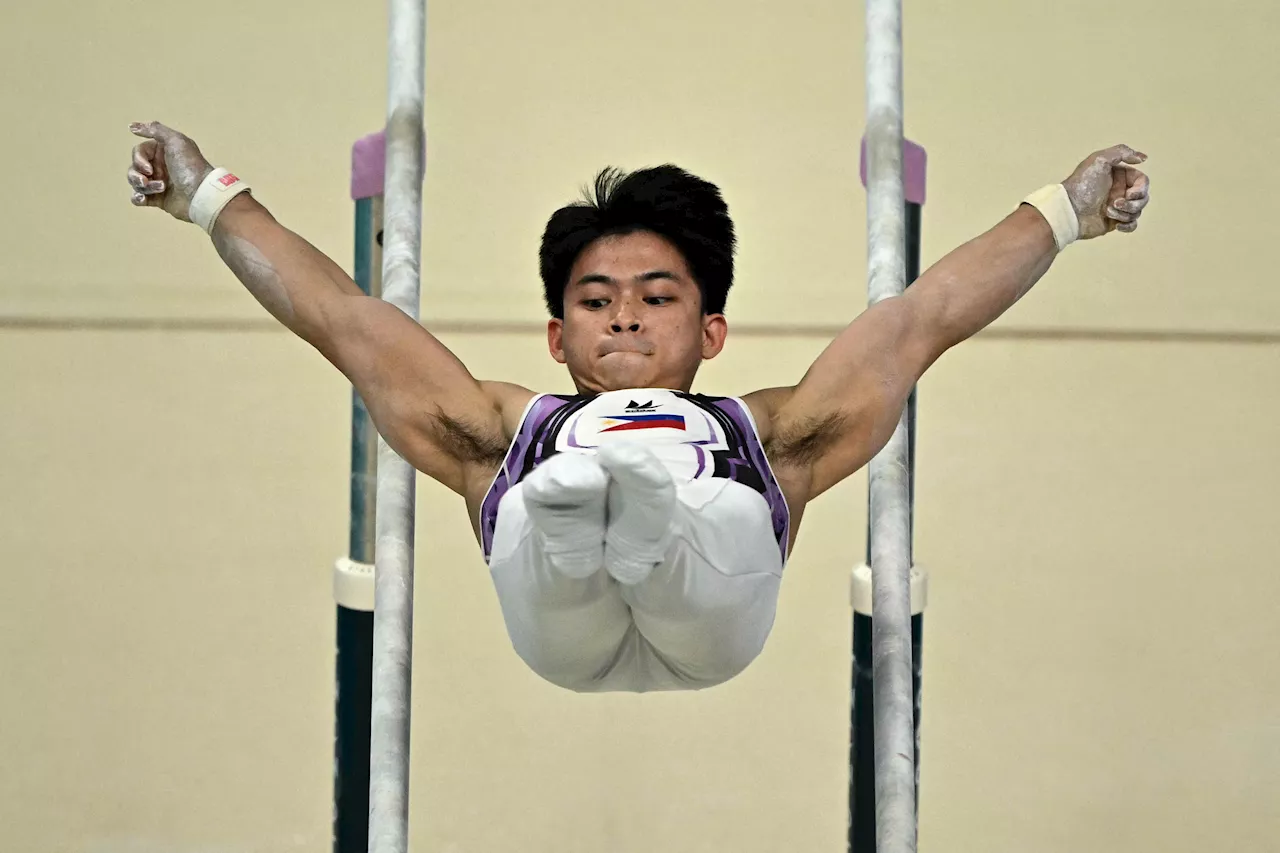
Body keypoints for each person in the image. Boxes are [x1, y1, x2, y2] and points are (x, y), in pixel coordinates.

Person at [125, 121, 1151, 693]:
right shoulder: (499, 429)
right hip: (558, 623)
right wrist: (209, 198)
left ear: (711, 332)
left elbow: (923, 317)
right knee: (543, 502)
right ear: (556, 338)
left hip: (712, 616)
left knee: (708, 508)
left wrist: (1065, 209)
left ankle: (634, 515)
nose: (622, 319)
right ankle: (589, 518)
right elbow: (344, 319)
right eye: (593, 300)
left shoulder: (771, 432)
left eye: (657, 298)